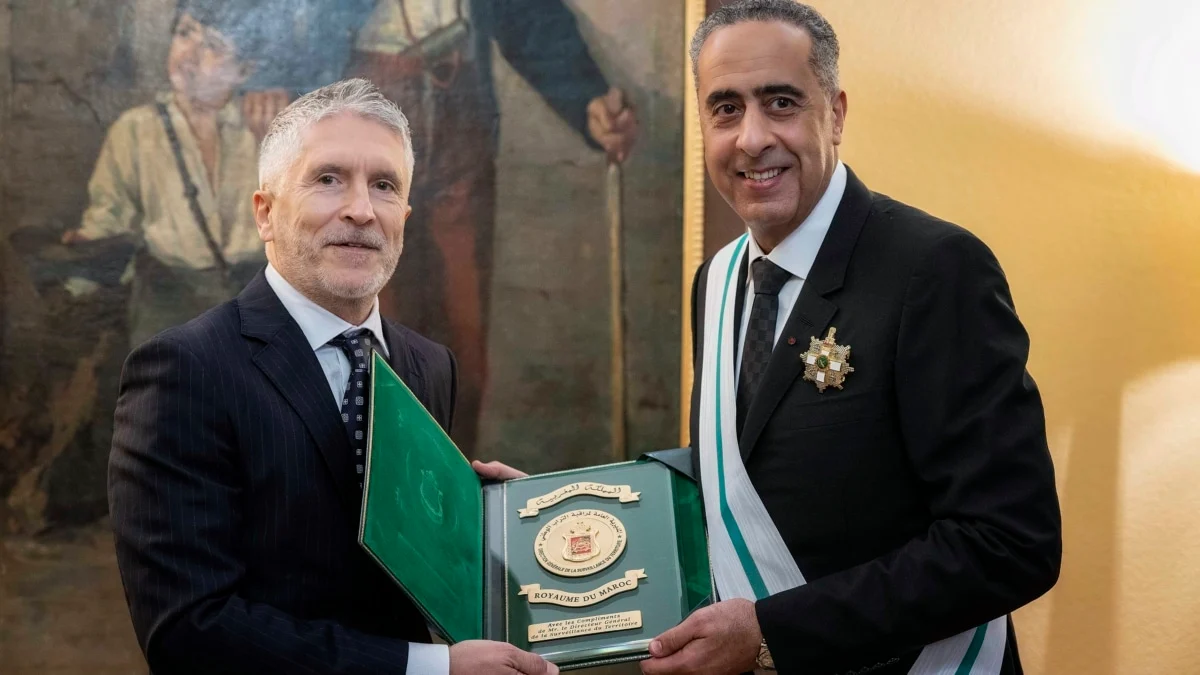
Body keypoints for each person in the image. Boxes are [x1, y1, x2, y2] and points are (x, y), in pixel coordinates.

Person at [641, 2, 1062, 674]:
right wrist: (595, 502)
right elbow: (755, 470)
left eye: (781, 102)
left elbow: (1010, 542)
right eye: (725, 108)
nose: (752, 138)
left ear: (835, 114)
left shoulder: (935, 269)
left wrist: (775, 634)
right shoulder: (715, 281)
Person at [108, 78, 551, 675]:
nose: (361, 210)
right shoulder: (184, 370)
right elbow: (188, 630)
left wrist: (509, 526)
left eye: (385, 186)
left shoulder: (429, 364)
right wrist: (430, 669)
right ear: (265, 213)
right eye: (328, 179)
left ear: (404, 217)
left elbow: (410, 569)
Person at [237, 0, 640, 451]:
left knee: (463, 333)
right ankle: (362, 481)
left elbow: (526, 15)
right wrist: (268, 72)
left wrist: (585, 97)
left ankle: (451, 481)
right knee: (366, 326)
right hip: (358, 103)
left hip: (459, 115)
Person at [62, 1, 266, 348]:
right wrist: (84, 255)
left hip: (254, 312)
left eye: (212, 45)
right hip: (167, 313)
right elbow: (108, 220)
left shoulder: (264, 129)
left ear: (244, 69)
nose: (188, 56)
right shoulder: (135, 130)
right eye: (184, 34)